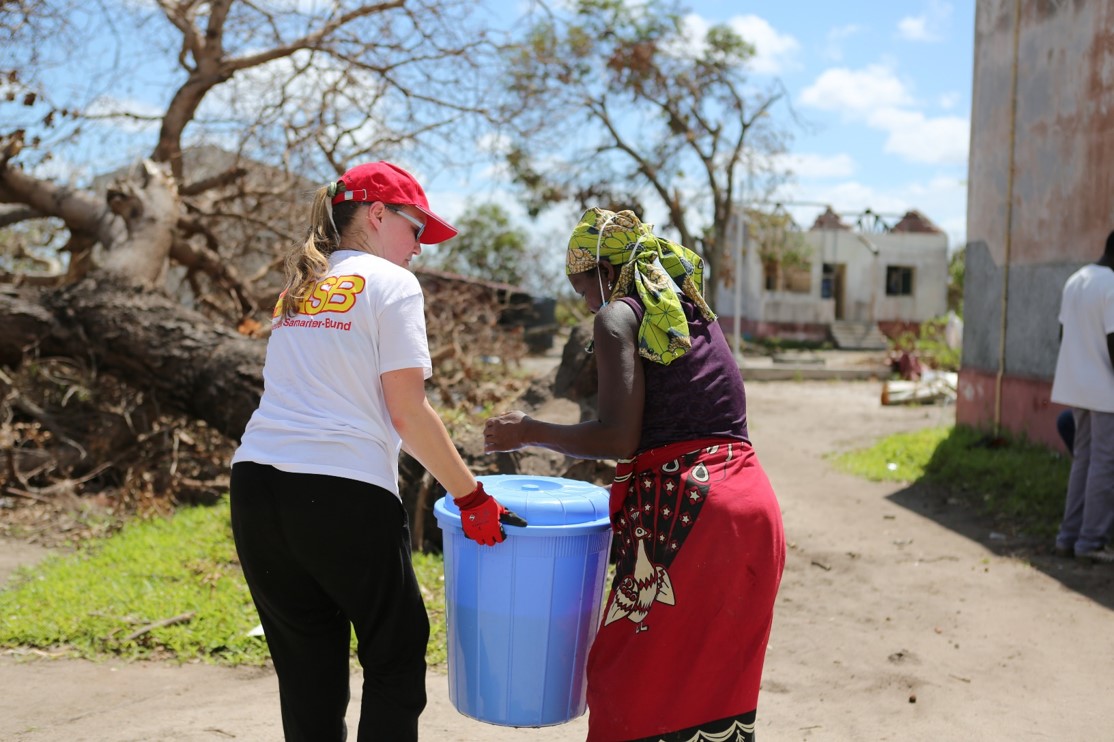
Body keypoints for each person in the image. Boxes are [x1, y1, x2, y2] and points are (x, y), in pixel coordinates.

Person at [229, 161, 523, 742]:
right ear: (378, 214)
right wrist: (471, 496)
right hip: (339, 490)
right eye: (416, 230)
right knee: (396, 652)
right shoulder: (392, 284)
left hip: (255, 489)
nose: (419, 249)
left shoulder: (300, 286)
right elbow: (408, 412)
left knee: (308, 666)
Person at [484, 208, 785, 742]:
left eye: (581, 286)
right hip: (752, 507)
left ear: (603, 269)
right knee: (717, 684)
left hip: (691, 514)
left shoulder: (619, 315)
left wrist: (526, 430)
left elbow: (618, 438)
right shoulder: (689, 308)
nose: (583, 300)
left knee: (628, 680)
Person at [1050, 228, 1114, 564]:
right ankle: (1091, 542)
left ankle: (1068, 537)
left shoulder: (1076, 280)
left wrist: (1080, 369)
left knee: (1084, 461)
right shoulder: (1112, 285)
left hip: (1078, 387)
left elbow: (1064, 334)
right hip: (1106, 390)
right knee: (1104, 464)